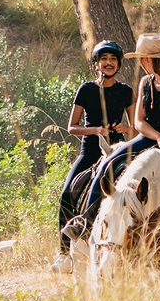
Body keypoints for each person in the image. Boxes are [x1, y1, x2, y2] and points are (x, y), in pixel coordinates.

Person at [63, 33, 160, 248]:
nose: (141, 63)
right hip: (149, 137)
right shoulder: (146, 82)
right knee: (109, 163)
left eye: (142, 59)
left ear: (150, 59)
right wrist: (158, 137)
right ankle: (87, 222)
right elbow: (139, 121)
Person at [51, 39, 135, 273]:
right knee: (67, 193)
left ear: (118, 64)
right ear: (96, 64)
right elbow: (72, 127)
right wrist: (96, 130)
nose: (108, 63)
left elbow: (136, 127)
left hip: (118, 151)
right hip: (90, 150)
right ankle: (64, 252)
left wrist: (125, 130)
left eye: (113, 60)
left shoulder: (126, 91)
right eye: (104, 59)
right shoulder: (86, 90)